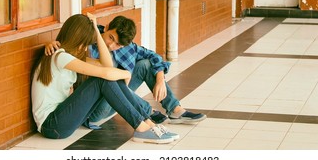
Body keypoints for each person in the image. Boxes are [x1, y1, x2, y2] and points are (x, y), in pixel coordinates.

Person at [31, 13, 178, 144]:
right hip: (52, 125)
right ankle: (141, 126)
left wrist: (96, 28)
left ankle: (147, 123)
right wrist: (126, 74)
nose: (84, 48)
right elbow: (106, 73)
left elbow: (105, 65)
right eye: (84, 43)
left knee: (108, 77)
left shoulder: (68, 56)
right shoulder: (60, 57)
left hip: (62, 121)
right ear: (76, 39)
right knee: (101, 79)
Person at [45, 15, 206, 126]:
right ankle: (146, 111)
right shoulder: (89, 40)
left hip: (118, 98)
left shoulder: (129, 48)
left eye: (118, 45)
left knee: (145, 64)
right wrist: (51, 44)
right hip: (93, 108)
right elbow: (66, 46)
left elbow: (155, 57)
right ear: (106, 27)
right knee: (108, 80)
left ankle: (175, 110)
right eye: (111, 38)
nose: (111, 46)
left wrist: (160, 80)